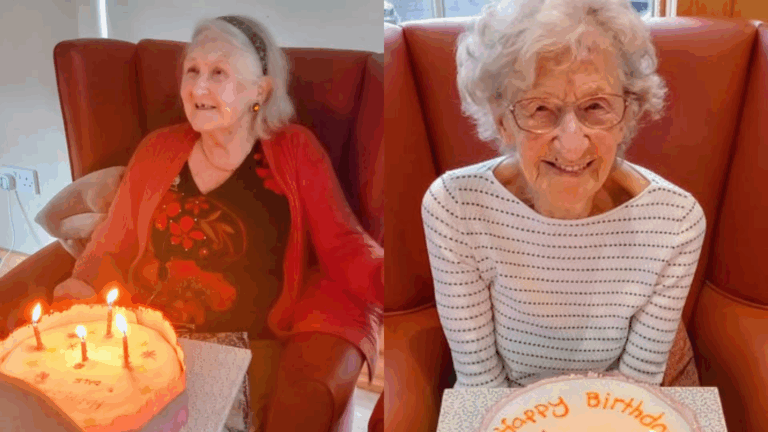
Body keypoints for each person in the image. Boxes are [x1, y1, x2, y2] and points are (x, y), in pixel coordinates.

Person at [47, 15, 382, 431]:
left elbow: (343, 244)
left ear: (260, 90)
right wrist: (78, 292)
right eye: (192, 70)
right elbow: (112, 244)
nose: (198, 88)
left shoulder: (295, 151)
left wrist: (403, 286)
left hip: (239, 351)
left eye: (219, 73)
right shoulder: (158, 149)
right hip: (148, 343)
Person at [421, 0, 705, 388]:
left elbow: (637, 390)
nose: (572, 145)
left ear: (628, 115)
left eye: (596, 106)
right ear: (503, 122)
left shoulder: (676, 221)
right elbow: (480, 381)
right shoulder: (455, 207)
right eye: (540, 107)